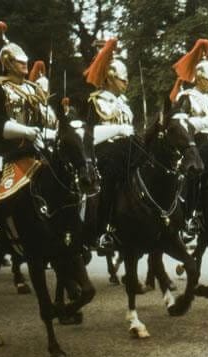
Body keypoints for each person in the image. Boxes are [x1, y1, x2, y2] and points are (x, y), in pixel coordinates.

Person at [0, 21, 57, 202]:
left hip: (34, 147)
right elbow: (1, 125)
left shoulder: (32, 89)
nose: (24, 62)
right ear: (8, 62)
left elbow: (42, 123)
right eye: (19, 60)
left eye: (25, 59)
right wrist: (26, 132)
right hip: (5, 148)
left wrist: (53, 133)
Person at [84, 38, 135, 246]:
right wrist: (118, 129)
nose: (126, 82)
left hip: (126, 149)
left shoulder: (124, 103)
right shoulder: (96, 100)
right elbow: (91, 134)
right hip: (103, 153)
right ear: (111, 78)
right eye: (123, 79)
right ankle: (104, 227)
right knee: (112, 176)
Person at [169, 39, 208, 238]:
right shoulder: (187, 97)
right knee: (195, 174)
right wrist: (206, 123)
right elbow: (183, 123)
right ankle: (189, 216)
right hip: (193, 144)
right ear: (199, 78)